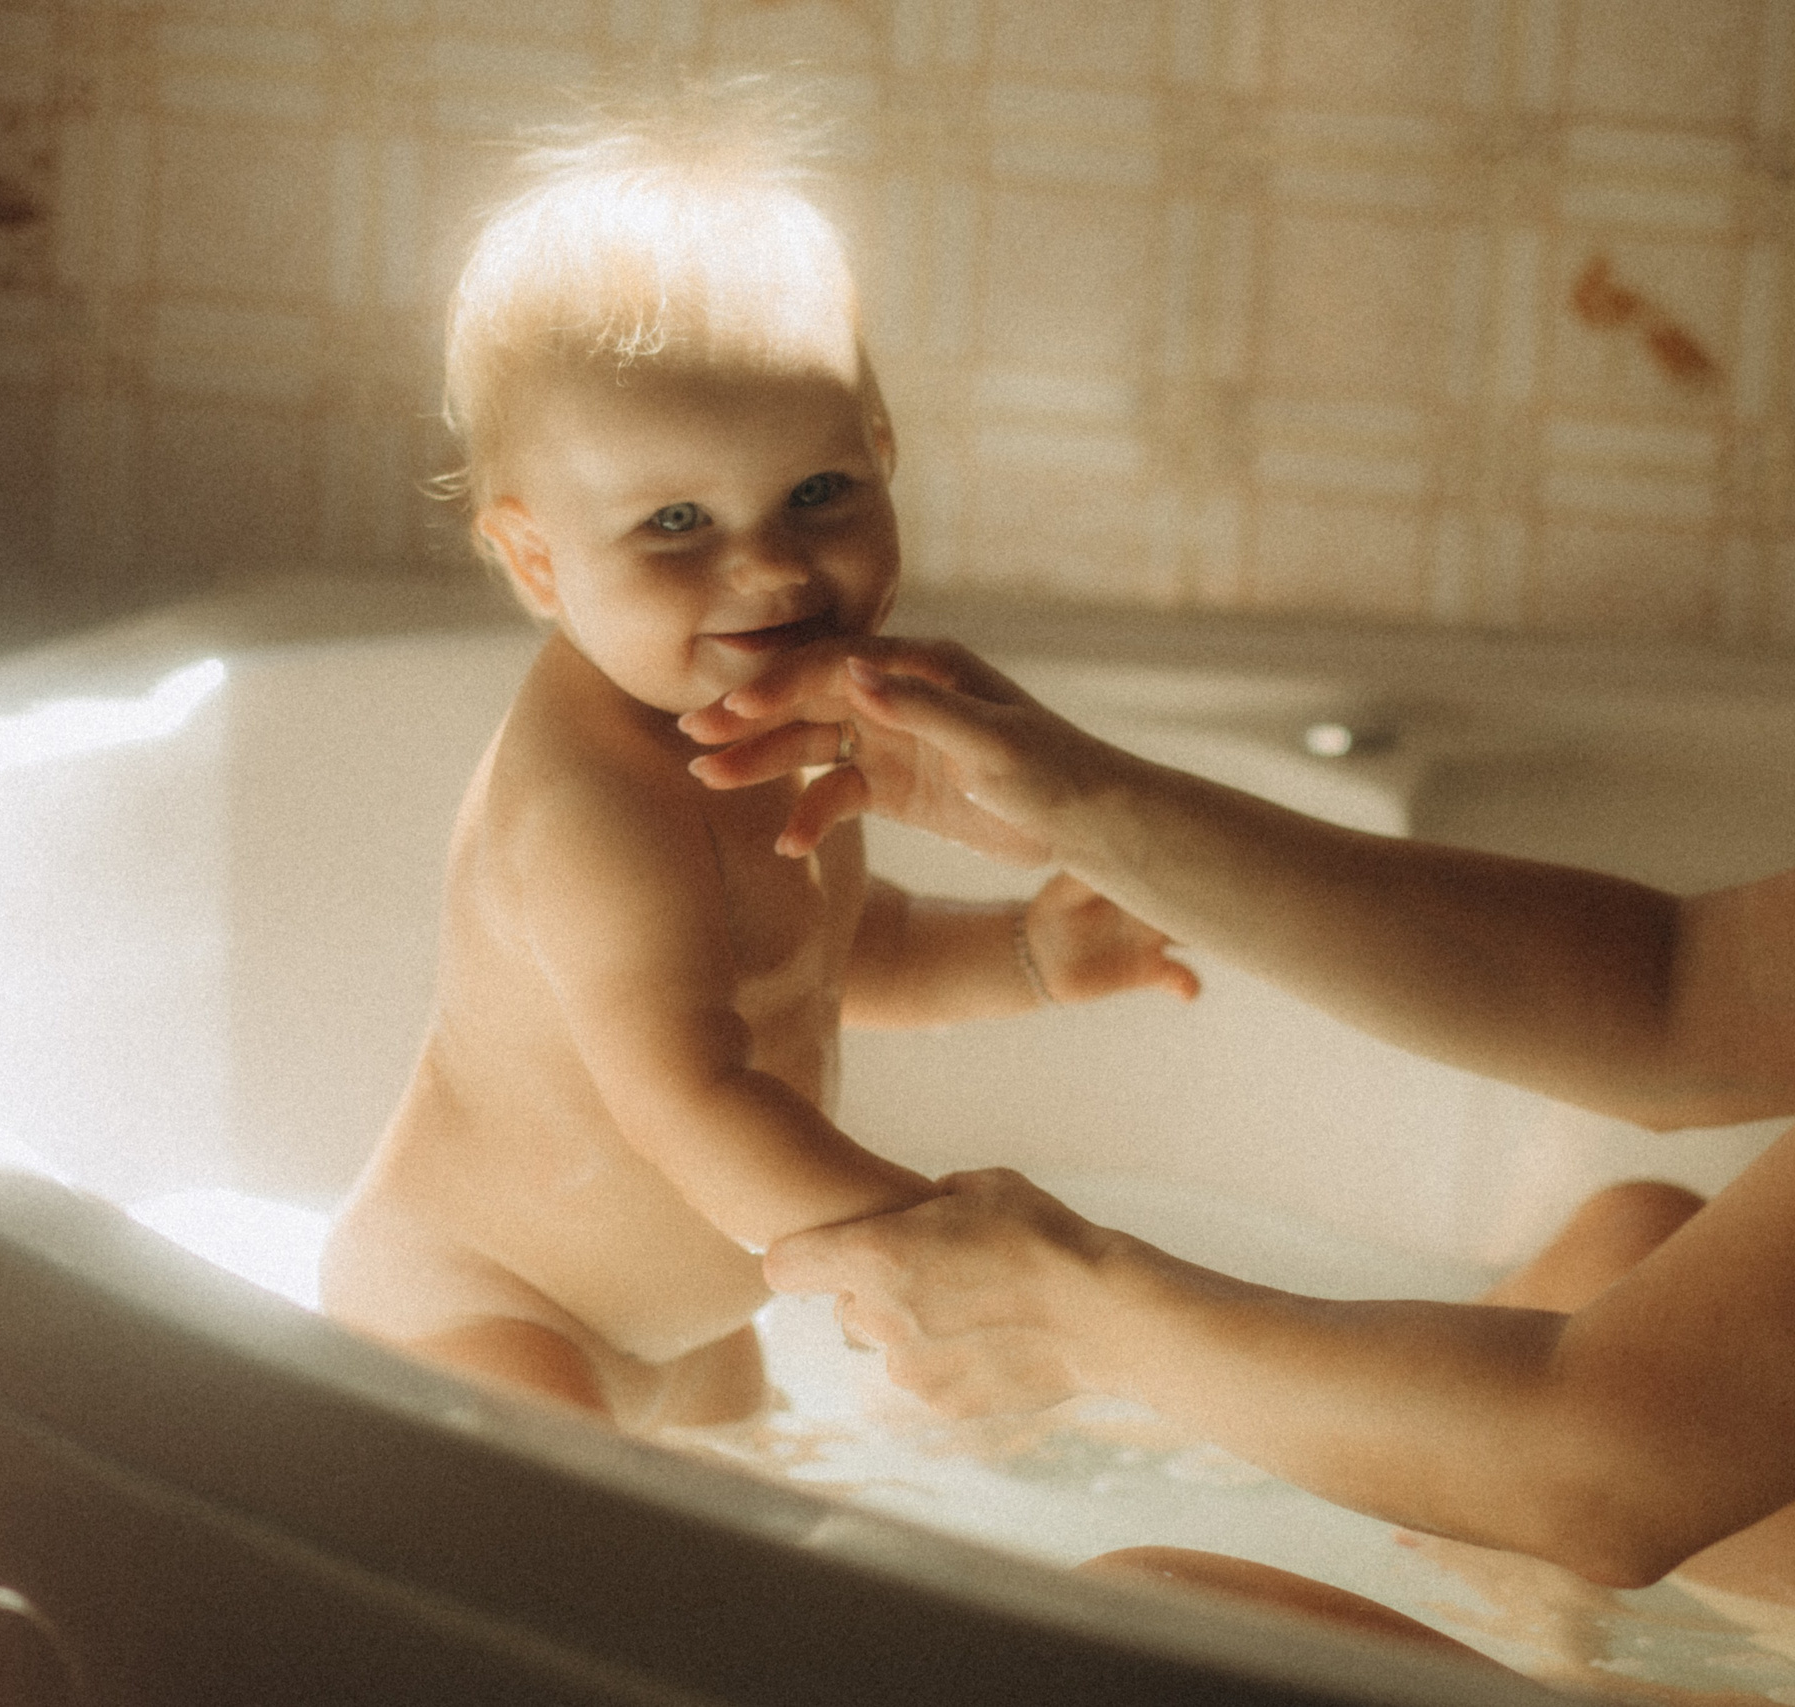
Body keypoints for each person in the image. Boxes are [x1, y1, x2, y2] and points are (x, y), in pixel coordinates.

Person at [679, 2, 1795, 1699]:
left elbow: (1599, 1469)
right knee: (1615, 1252)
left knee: (1134, 1632)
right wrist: (1080, 800)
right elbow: (1684, 1003)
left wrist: (1068, 1302)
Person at [319, 95, 1197, 1436]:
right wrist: (934, 1246)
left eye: (818, 493)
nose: (772, 567)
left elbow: (834, 949)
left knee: (728, 1601)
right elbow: (687, 1093)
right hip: (487, 1314)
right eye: (675, 523)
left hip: (693, 1327)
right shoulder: (592, 806)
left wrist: (1025, 953)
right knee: (566, 1591)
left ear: (882, 457)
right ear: (539, 558)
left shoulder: (767, 722)